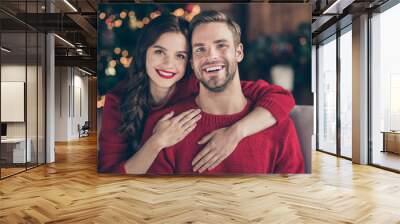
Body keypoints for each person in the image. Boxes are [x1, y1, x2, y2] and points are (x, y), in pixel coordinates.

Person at [98, 14, 296, 174]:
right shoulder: (119, 101)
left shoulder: (197, 83)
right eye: (159, 52)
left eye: (180, 56)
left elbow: (281, 97)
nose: (169, 64)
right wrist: (157, 142)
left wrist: (235, 132)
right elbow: (112, 174)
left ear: (188, 62)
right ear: (144, 53)